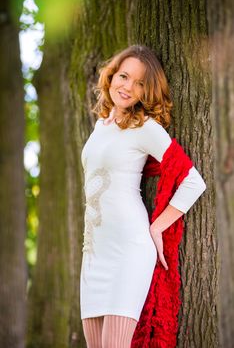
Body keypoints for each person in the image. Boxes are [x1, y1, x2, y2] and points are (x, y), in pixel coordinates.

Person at [80, 44, 206, 348]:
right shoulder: (100, 127)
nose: (128, 87)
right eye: (124, 76)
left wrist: (157, 226)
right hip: (94, 254)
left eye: (139, 83)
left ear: (146, 92)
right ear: (111, 76)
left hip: (128, 251)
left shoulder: (145, 127)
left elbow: (193, 181)